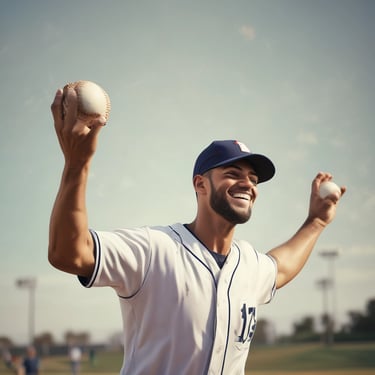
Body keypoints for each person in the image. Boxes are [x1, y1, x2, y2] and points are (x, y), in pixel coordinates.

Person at [49, 87, 345, 375]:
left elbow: (281, 268)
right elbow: (68, 254)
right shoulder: (155, 248)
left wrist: (316, 223)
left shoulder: (250, 265)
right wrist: (77, 165)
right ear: (200, 184)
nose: (248, 184)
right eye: (233, 174)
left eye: (253, 178)